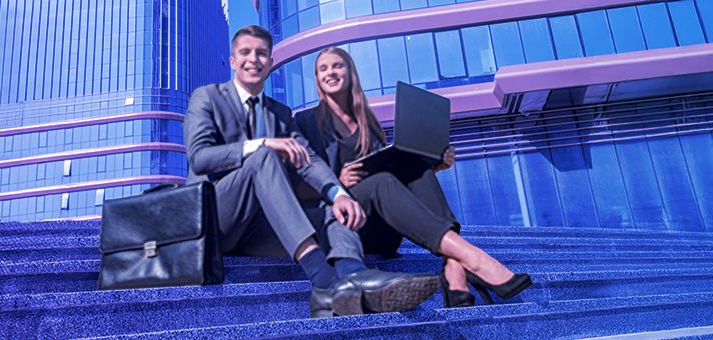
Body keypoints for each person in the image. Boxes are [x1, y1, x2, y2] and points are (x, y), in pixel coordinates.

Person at [185, 26, 438, 318]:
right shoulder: (206, 97)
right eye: (245, 52)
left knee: (333, 209)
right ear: (232, 60)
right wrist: (261, 144)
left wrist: (340, 194)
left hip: (261, 231)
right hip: (216, 222)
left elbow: (310, 162)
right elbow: (200, 158)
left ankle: (352, 275)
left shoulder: (280, 112)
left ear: (270, 62)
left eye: (261, 54)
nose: (253, 59)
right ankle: (324, 281)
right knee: (263, 157)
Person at [292, 46, 533, 307]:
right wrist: (336, 183)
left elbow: (394, 181)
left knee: (414, 164)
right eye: (323, 69)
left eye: (337, 65)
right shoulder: (305, 122)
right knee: (381, 182)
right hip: (339, 230)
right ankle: (471, 259)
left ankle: (453, 263)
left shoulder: (368, 125)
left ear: (350, 72)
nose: (331, 72)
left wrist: (435, 165)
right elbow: (295, 189)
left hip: (379, 228)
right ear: (317, 79)